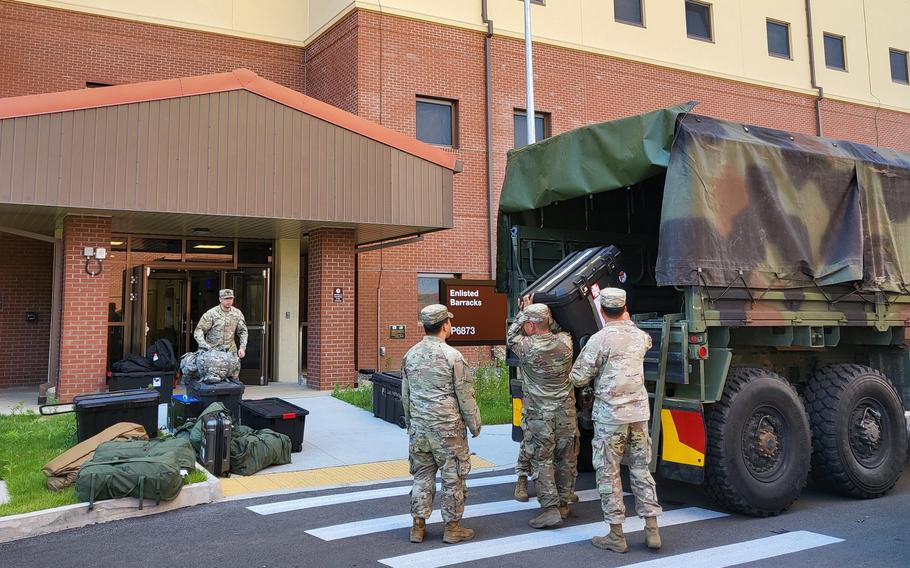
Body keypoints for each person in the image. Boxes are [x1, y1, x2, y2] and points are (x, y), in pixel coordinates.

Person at [569, 288, 662, 553]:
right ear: (624, 307)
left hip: (611, 417)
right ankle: (652, 530)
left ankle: (616, 535)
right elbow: (645, 341)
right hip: (639, 415)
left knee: (609, 473)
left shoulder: (600, 340)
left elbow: (578, 377)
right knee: (641, 471)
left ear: (601, 311)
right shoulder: (640, 336)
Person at [401, 304, 482, 545]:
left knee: (422, 476)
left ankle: (418, 526)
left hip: (420, 429)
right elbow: (465, 395)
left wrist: (411, 422)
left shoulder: (410, 354)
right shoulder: (452, 356)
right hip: (448, 431)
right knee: (453, 478)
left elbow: (405, 394)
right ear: (445, 325)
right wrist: (474, 424)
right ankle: (452, 527)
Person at [507, 299, 577, 528]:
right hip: (565, 412)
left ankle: (550, 509)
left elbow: (510, 335)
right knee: (566, 458)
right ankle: (565, 504)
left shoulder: (525, 347)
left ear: (530, 326)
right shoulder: (566, 342)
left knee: (543, 460)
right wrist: (542, 316)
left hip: (539, 415)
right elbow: (556, 329)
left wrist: (522, 312)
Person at [193, 288, 248, 378]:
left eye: (231, 298)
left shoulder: (237, 313)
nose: (229, 301)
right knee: (213, 380)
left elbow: (243, 331)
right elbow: (199, 330)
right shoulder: (211, 314)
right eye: (226, 299)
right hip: (213, 353)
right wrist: (204, 345)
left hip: (230, 352)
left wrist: (242, 347)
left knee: (233, 379)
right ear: (220, 299)